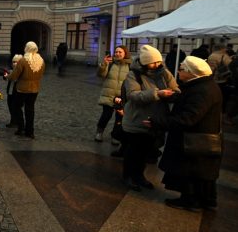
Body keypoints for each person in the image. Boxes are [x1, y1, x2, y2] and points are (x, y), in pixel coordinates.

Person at [145, 56, 222, 211]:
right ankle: (202, 200)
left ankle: (190, 201)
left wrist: (158, 122)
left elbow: (188, 118)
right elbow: (188, 100)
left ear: (191, 72)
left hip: (194, 140)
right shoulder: (203, 85)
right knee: (199, 174)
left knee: (191, 172)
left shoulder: (202, 91)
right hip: (199, 138)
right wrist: (173, 96)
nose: (178, 71)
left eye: (181, 69)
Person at [121, 45, 179, 191]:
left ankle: (139, 176)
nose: (157, 65)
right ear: (145, 62)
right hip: (137, 119)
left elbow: (176, 89)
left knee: (146, 151)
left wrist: (172, 94)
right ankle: (128, 176)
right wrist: (157, 94)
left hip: (155, 120)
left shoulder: (164, 73)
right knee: (133, 151)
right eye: (153, 62)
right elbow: (133, 95)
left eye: (159, 61)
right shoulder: (134, 74)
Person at [6, 41, 46, 140]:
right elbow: (41, 74)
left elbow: (15, 75)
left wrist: (8, 76)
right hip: (35, 88)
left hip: (22, 89)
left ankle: (21, 128)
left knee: (16, 107)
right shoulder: (41, 60)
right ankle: (30, 131)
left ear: (27, 48)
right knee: (30, 109)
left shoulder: (23, 60)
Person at [94, 45, 131, 144]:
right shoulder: (110, 64)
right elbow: (101, 75)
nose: (117, 54)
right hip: (108, 94)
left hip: (122, 96)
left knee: (119, 118)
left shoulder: (130, 66)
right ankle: (99, 132)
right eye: (116, 52)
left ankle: (115, 135)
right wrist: (104, 64)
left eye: (120, 52)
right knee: (106, 115)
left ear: (125, 54)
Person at [207, 43, 232, 113]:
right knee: (223, 95)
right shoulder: (225, 56)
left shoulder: (212, 56)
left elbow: (211, 69)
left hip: (214, 79)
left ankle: (213, 109)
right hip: (223, 78)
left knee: (214, 95)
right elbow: (230, 66)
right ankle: (221, 110)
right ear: (222, 48)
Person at [5, 54, 22, 128]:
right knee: (10, 106)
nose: (14, 63)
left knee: (16, 107)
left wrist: (10, 75)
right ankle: (13, 121)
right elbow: (6, 78)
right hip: (10, 91)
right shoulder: (10, 70)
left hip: (17, 92)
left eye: (17, 62)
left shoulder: (21, 71)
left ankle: (17, 122)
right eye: (13, 62)